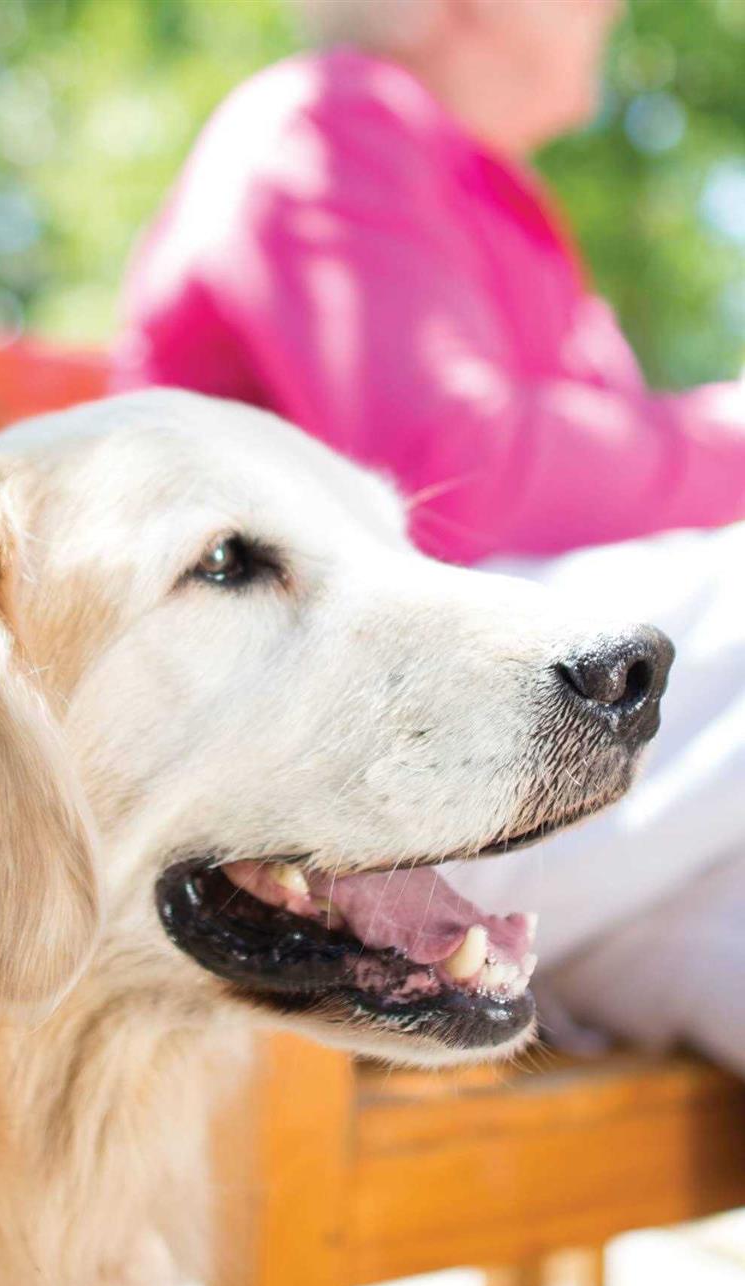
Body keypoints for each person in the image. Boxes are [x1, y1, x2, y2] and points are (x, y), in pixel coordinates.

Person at [116, 0, 745, 1069]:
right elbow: (462, 470)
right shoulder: (326, 122)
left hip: (549, 843)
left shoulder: (485, 192)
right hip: (371, 820)